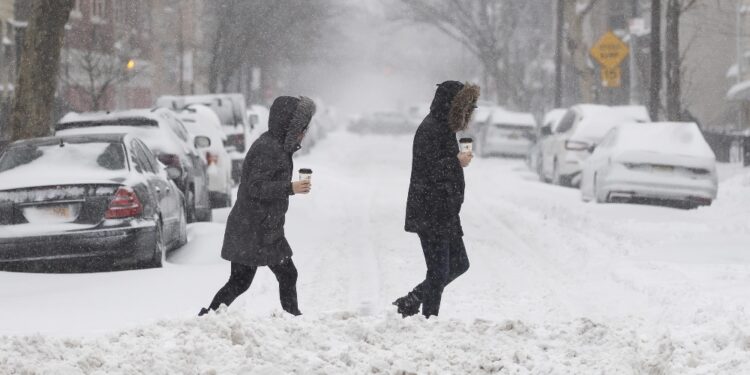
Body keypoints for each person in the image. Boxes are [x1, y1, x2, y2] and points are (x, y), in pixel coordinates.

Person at [199, 96, 316, 317]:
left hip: (264, 228)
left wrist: (289, 188)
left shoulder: (279, 146)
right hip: (252, 229)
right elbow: (255, 187)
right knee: (246, 281)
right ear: (288, 125)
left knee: (266, 277)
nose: (304, 133)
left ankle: (292, 317)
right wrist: (290, 187)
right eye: (302, 128)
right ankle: (209, 317)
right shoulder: (268, 148)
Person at [393, 81, 480, 318]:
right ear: (451, 106)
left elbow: (440, 165)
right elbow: (429, 168)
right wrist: (457, 162)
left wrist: (456, 161)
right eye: (464, 108)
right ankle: (429, 319)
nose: (466, 114)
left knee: (459, 264)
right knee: (439, 271)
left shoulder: (444, 128)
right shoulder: (431, 128)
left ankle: (413, 299)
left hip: (444, 210)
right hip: (430, 209)